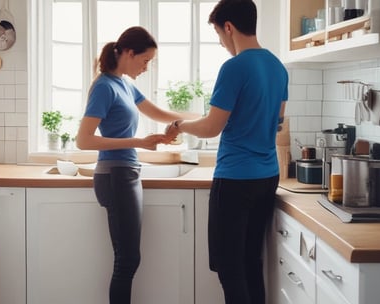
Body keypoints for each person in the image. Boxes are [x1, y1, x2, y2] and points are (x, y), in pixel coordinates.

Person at [164, 1, 288, 303]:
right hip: (267, 176)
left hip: (235, 180)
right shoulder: (278, 67)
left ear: (229, 27)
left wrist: (179, 125)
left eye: (219, 34)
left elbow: (210, 127)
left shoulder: (234, 67)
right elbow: (278, 125)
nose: (221, 42)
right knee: (250, 263)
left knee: (230, 269)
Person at [75, 26, 199, 304]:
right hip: (115, 176)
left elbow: (158, 112)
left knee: (129, 258)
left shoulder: (126, 84)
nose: (146, 67)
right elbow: (83, 140)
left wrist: (201, 120)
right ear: (129, 53)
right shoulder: (104, 86)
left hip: (126, 174)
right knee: (127, 260)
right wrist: (138, 142)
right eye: (145, 61)